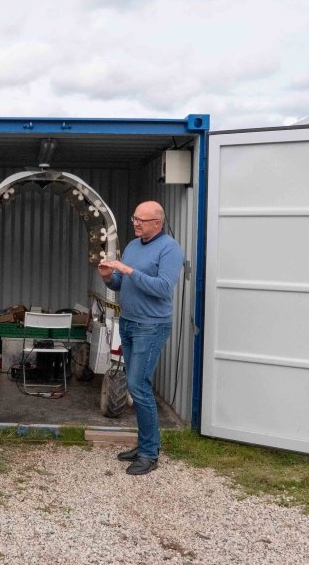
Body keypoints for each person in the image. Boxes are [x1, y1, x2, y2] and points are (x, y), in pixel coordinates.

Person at [97, 200, 183, 475]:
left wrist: (129, 270)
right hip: (130, 323)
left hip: (151, 326)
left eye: (141, 220)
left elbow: (162, 287)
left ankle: (149, 453)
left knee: (138, 385)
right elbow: (122, 283)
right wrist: (109, 277)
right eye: (134, 218)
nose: (135, 223)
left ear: (157, 223)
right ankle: (144, 444)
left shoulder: (170, 248)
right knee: (137, 388)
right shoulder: (134, 247)